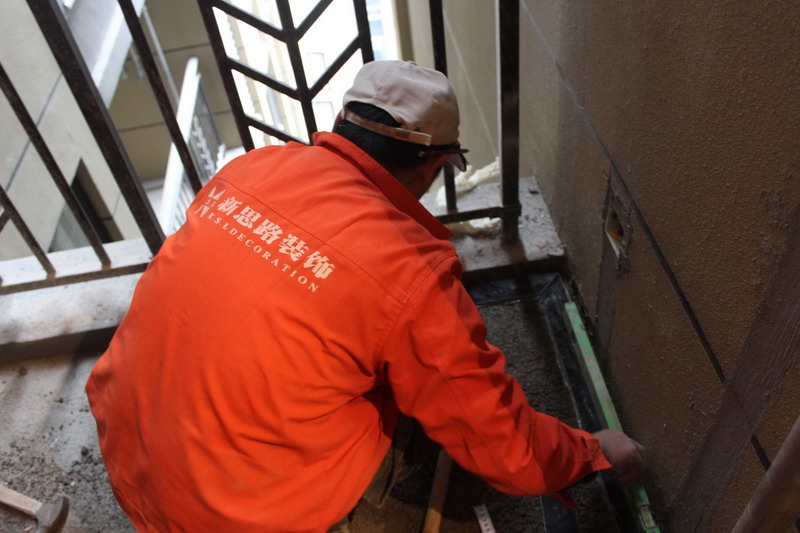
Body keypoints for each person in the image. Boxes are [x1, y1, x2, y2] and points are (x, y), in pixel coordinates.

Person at [85, 60, 644, 533]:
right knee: (424, 392)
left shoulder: (253, 168)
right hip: (233, 515)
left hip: (125, 450)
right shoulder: (408, 270)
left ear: (340, 124)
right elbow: (505, 446)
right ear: (432, 164)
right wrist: (592, 452)